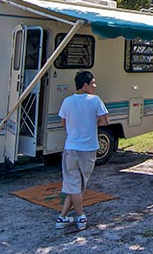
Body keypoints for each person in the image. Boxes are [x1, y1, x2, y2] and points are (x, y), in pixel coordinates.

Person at [55, 71, 110, 231]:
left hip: (71, 148)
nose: (95, 86)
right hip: (89, 149)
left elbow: (62, 123)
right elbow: (105, 121)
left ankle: (62, 217)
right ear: (85, 85)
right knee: (78, 186)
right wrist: (92, 123)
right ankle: (80, 217)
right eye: (93, 83)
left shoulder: (67, 101)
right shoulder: (95, 100)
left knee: (74, 185)